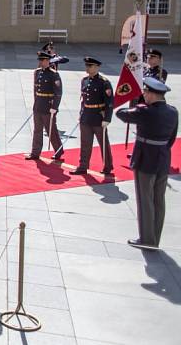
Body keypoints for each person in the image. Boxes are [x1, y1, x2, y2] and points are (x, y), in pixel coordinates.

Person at [116, 78, 177, 250]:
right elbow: (171, 138)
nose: (144, 94)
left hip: (145, 159)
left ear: (151, 94)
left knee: (145, 200)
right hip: (163, 158)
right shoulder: (173, 111)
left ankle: (146, 238)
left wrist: (137, 104)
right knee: (158, 199)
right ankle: (155, 237)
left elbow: (121, 113)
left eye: (145, 92)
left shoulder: (145, 111)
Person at [72, 56, 113, 176]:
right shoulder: (84, 80)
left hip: (98, 117)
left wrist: (107, 119)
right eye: (86, 66)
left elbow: (109, 102)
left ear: (97, 67)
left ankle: (108, 166)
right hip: (86, 116)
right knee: (85, 143)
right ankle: (83, 166)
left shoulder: (104, 82)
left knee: (103, 143)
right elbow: (83, 99)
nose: (87, 68)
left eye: (89, 66)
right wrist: (81, 113)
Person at [25, 51, 64, 161]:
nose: (41, 62)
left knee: (51, 130)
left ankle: (58, 150)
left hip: (48, 106)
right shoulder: (37, 72)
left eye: (43, 60)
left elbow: (58, 92)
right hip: (38, 105)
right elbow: (35, 89)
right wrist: (35, 103)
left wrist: (54, 107)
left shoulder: (54, 74)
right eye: (40, 60)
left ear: (47, 61)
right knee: (37, 130)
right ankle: (35, 152)